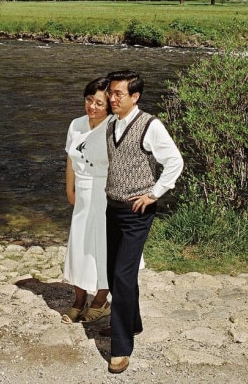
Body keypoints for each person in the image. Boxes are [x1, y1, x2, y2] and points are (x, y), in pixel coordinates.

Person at [102, 69, 183, 374]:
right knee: (113, 272)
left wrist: (155, 193)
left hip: (137, 211)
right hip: (113, 207)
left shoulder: (150, 125)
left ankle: (121, 348)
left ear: (134, 97)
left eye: (118, 93)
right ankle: (131, 322)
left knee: (123, 275)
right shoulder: (111, 123)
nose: (112, 98)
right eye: (111, 92)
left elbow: (175, 161)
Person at [61, 77, 113, 324]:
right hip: (81, 192)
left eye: (99, 103)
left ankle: (101, 300)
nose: (92, 107)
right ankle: (79, 300)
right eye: (89, 99)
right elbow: (71, 159)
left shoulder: (115, 127)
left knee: (102, 247)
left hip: (106, 193)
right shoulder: (76, 124)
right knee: (79, 246)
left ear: (109, 106)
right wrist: (69, 189)